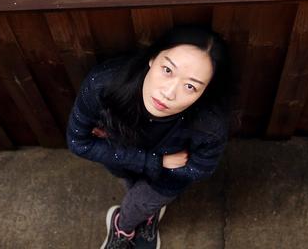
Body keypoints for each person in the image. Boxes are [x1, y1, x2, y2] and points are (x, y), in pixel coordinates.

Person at [66, 24, 233, 249]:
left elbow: (201, 168)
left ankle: (124, 225)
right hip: (130, 160)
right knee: (131, 186)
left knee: (140, 205)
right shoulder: (104, 83)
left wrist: (149, 163)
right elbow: (78, 142)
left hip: (168, 175)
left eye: (191, 86)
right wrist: (156, 160)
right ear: (153, 58)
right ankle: (131, 220)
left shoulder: (210, 123)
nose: (169, 93)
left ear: (204, 93)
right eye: (167, 70)